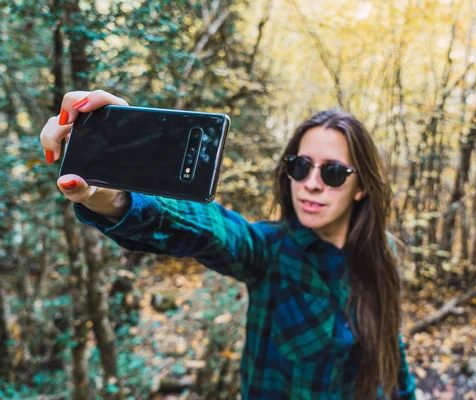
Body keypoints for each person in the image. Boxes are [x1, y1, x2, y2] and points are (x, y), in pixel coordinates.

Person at [40, 90, 416, 400]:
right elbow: (213, 231)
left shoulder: (380, 253)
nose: (311, 184)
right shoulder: (270, 250)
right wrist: (117, 197)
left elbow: (391, 351)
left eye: (333, 172)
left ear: (361, 186)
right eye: (300, 167)